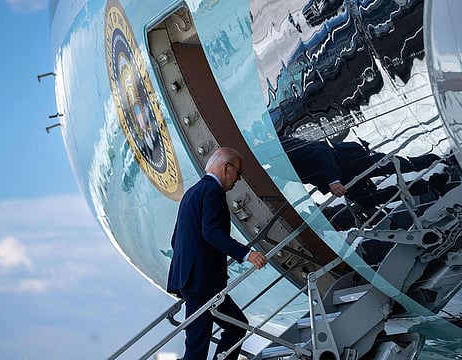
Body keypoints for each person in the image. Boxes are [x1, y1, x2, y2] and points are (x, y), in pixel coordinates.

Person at [167, 147, 268, 360]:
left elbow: (175, 239)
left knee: (235, 327)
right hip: (202, 282)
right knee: (198, 345)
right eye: (238, 173)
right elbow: (211, 233)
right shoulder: (213, 191)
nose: (238, 179)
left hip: (193, 279)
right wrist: (246, 254)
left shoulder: (192, 192)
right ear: (226, 167)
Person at [279, 135, 443, 208]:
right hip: (343, 176)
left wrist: (333, 181)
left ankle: (442, 159)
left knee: (403, 166)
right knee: (367, 201)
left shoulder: (278, 148)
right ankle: (425, 185)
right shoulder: (272, 167)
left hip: (348, 161)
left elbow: (320, 151)